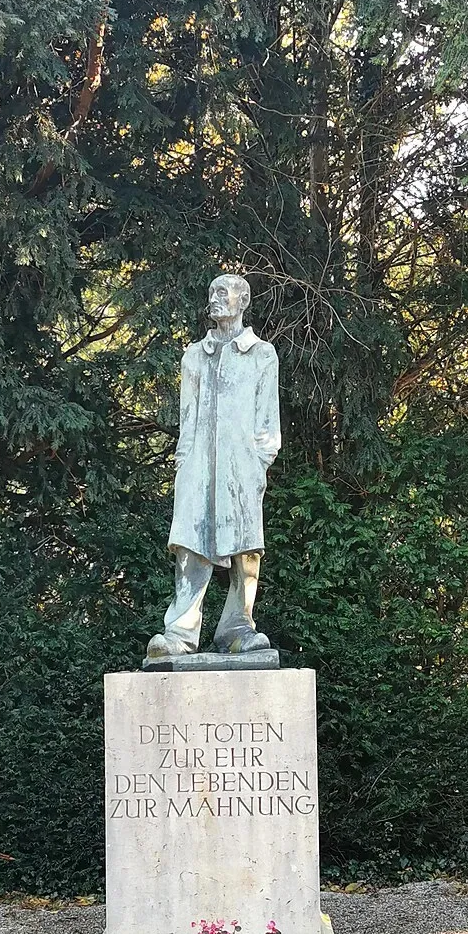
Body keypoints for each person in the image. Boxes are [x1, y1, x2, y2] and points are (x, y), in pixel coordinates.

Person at [146, 272, 281, 659]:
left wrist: (258, 465)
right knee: (190, 545)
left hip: (242, 466)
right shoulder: (194, 356)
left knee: (246, 550)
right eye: (212, 293)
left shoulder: (261, 354)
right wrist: (184, 464)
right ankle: (181, 632)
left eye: (224, 293)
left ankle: (238, 627)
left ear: (244, 300)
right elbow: (187, 419)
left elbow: (267, 423)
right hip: (198, 465)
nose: (216, 299)